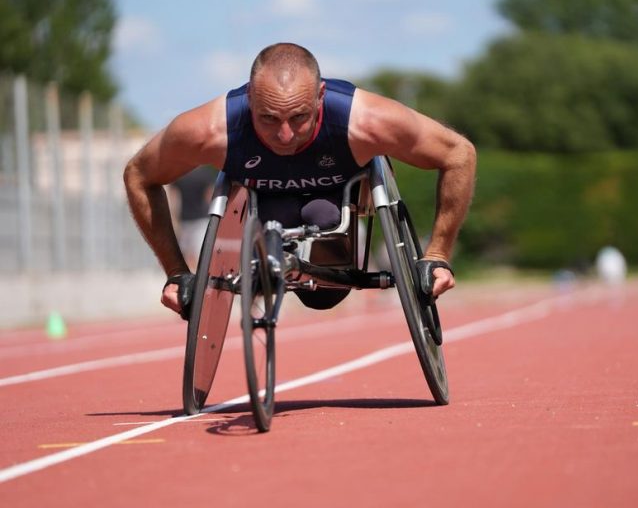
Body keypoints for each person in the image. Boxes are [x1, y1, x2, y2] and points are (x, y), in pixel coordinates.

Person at [124, 42, 476, 319]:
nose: (285, 134)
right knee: (272, 227)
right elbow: (139, 176)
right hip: (266, 214)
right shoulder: (209, 131)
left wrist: (438, 255)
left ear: (320, 96)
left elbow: (459, 154)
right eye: (268, 118)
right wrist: (176, 272)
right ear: (249, 99)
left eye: (299, 117)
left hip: (336, 215)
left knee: (322, 223)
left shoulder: (366, 121)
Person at [168, 165, 217, 269]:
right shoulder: (206, 173)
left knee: (186, 256)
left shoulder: (179, 173)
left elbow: (173, 199)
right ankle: (198, 282)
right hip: (201, 221)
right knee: (201, 256)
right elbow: (210, 197)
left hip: (185, 221)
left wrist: (174, 219)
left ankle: (190, 280)